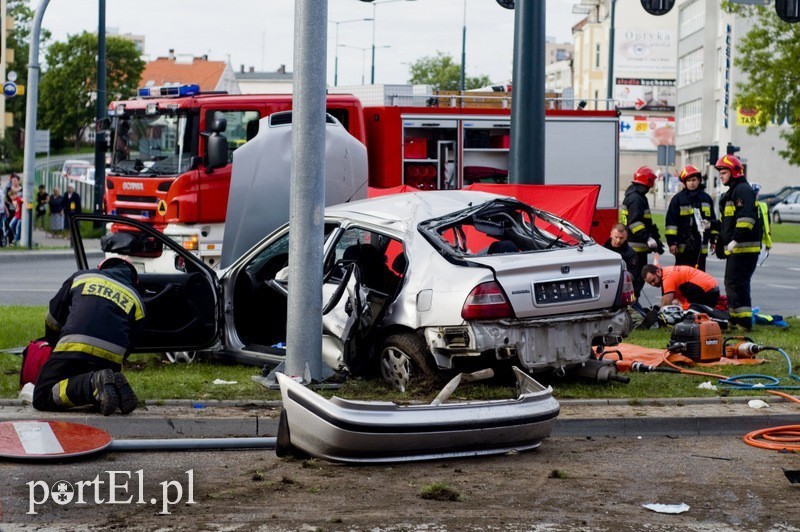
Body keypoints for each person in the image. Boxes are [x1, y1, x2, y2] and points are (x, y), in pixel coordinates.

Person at [33, 257, 145, 415]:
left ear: (101, 268)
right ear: (134, 280)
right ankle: (110, 385)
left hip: (73, 346)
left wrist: (54, 344)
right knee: (100, 392)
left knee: (42, 396)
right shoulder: (136, 299)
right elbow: (131, 342)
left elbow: (53, 317)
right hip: (110, 359)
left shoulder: (82, 277)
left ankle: (93, 383)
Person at [711, 154, 763, 330]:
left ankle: (744, 322)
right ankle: (735, 319)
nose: (721, 176)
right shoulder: (733, 192)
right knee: (732, 283)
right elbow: (728, 223)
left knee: (738, 283)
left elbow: (746, 219)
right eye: (720, 173)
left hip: (744, 248)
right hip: (737, 248)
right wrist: (712, 225)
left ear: (734, 172)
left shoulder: (742, 190)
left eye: (724, 172)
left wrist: (735, 240)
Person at [622, 166, 664, 299]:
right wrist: (648, 238)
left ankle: (633, 305)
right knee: (637, 281)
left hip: (633, 248)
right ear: (648, 181)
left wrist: (655, 238)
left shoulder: (633, 196)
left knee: (634, 281)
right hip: (636, 249)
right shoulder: (637, 199)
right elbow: (635, 223)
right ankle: (633, 306)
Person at [664, 165, 717, 271]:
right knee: (682, 276)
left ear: (699, 180)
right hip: (683, 248)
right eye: (688, 180)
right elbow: (671, 223)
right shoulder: (677, 199)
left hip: (701, 248)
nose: (691, 183)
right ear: (684, 182)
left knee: (699, 277)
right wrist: (672, 243)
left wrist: (714, 240)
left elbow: (712, 221)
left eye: (694, 180)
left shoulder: (707, 199)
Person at [641, 264, 720, 310]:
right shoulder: (667, 271)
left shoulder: (667, 277)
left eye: (653, 280)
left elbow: (665, 304)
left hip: (706, 291)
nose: (653, 284)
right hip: (711, 288)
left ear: (658, 271)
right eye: (650, 283)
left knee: (687, 314)